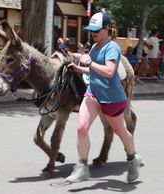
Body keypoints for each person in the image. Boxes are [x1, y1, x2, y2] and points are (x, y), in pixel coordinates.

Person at [66, 12, 141, 183]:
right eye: (91, 30)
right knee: (81, 128)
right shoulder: (94, 47)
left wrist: (89, 63)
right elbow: (94, 71)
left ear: (107, 29)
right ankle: (82, 167)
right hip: (93, 94)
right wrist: (79, 69)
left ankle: (133, 158)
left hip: (111, 98)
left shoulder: (112, 47)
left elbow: (108, 71)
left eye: (96, 30)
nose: (93, 33)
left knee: (121, 131)